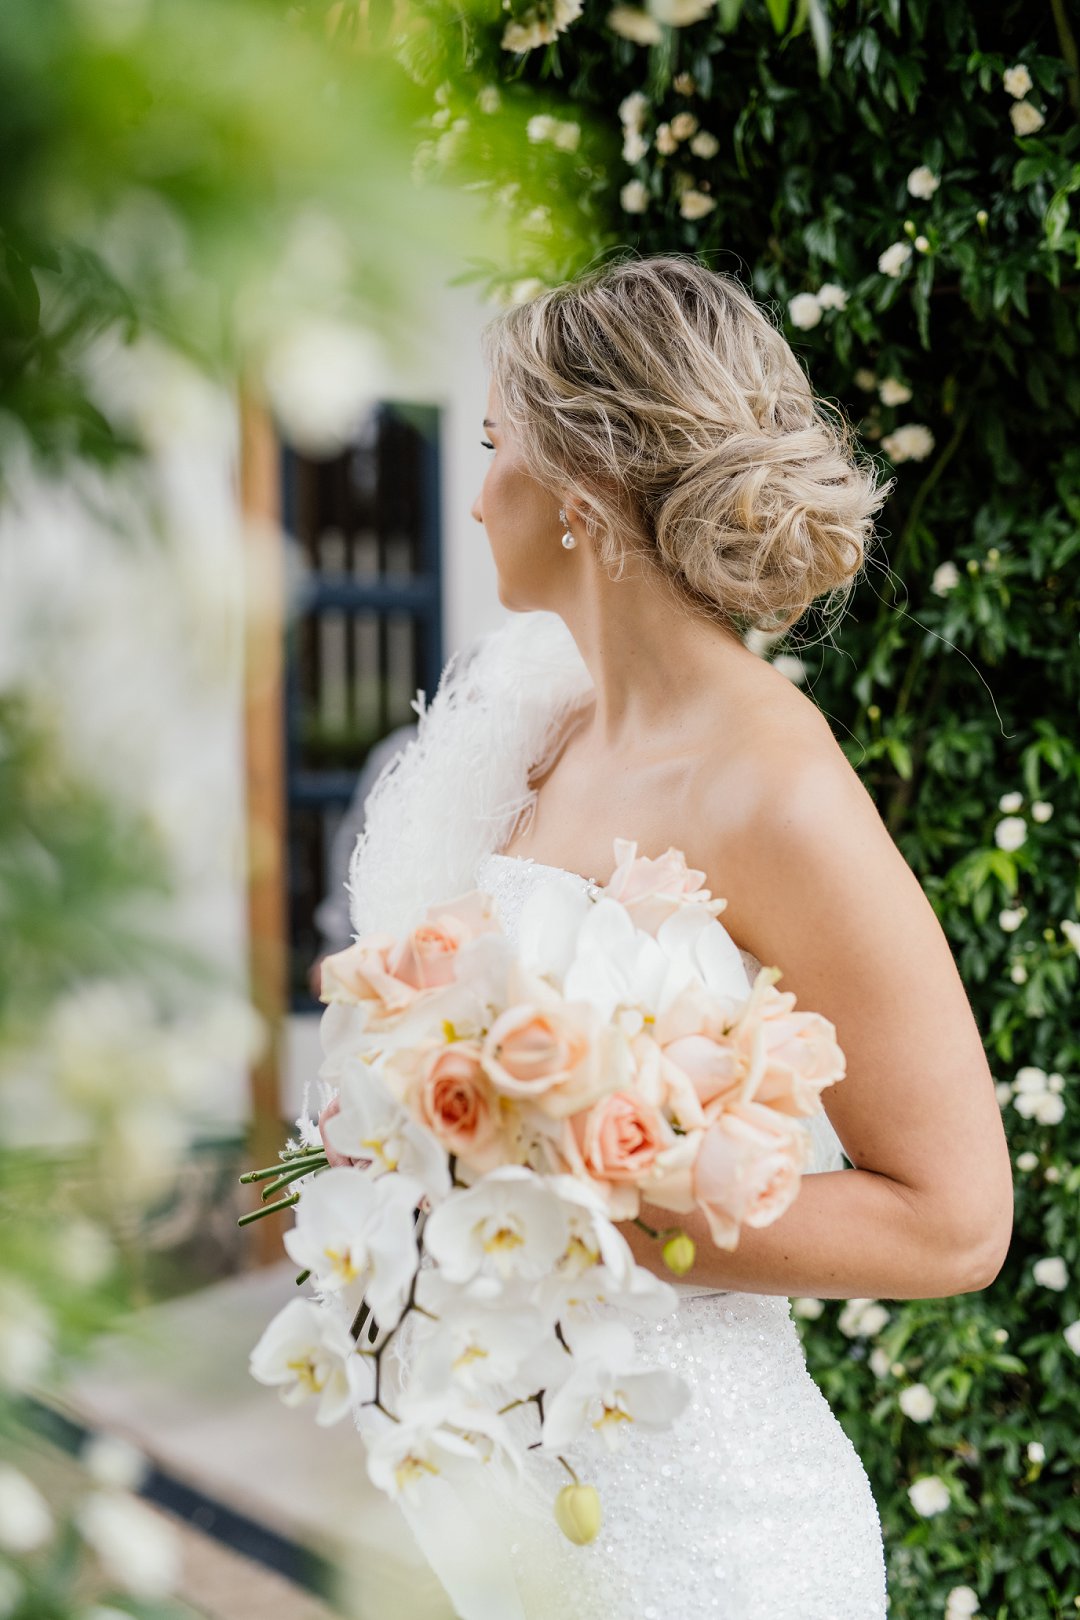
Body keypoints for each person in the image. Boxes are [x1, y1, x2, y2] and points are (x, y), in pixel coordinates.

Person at [319, 253, 1014, 1618]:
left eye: (494, 447)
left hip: (710, 1543)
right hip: (514, 1514)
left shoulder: (775, 789)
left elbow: (956, 1223)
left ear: (581, 491)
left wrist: (583, 1203)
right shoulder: (533, 728)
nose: (475, 494)